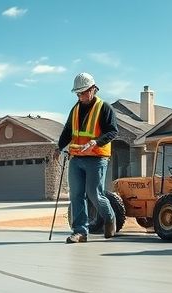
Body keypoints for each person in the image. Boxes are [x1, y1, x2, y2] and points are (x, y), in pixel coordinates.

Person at [54, 72, 119, 244]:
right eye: (78, 93)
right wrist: (59, 147)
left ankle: (110, 218)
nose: (80, 96)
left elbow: (113, 131)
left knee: (94, 194)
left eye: (82, 92)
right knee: (76, 195)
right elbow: (68, 131)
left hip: (97, 158)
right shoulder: (75, 109)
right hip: (76, 158)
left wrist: (96, 142)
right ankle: (80, 232)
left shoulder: (104, 108)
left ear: (92, 90)